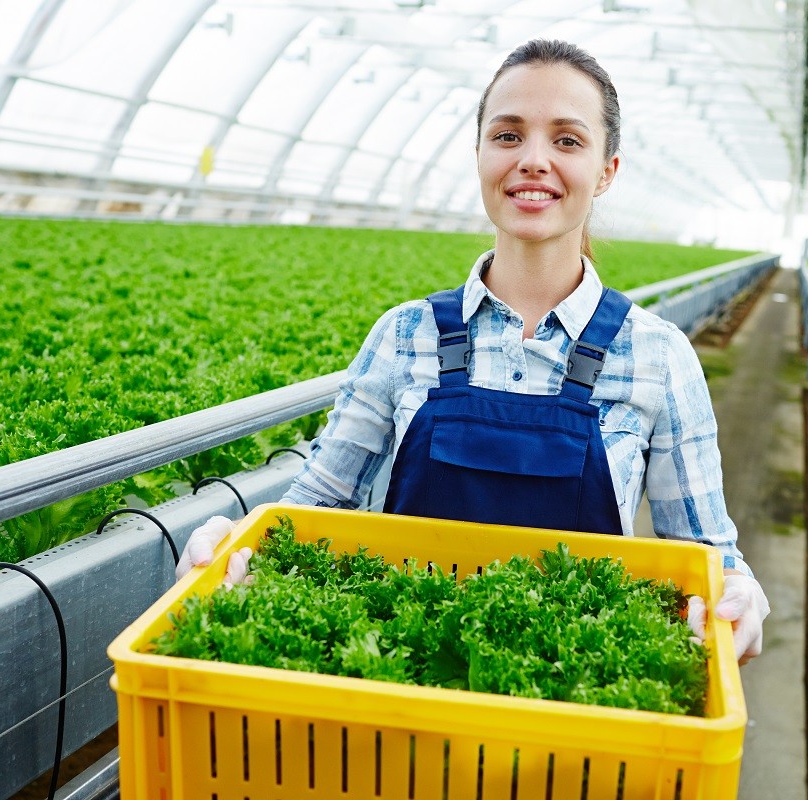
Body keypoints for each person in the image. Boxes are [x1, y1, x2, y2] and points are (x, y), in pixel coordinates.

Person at [177, 39, 769, 665]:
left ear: (606, 171)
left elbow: (706, 557)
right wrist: (235, 538)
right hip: (394, 686)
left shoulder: (657, 355)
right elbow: (314, 505)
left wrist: (739, 593)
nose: (533, 160)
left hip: (569, 710)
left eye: (567, 140)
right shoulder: (405, 335)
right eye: (508, 135)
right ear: (482, 154)